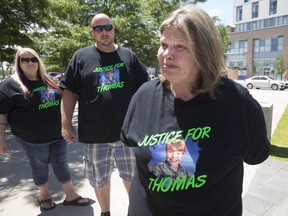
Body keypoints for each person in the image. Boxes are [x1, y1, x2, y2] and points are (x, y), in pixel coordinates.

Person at [120, 5, 270, 216]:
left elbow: (256, 155)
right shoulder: (143, 96)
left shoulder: (237, 103)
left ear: (203, 52)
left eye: (180, 46)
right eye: (164, 44)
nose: (167, 54)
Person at [60, 13, 149, 216]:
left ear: (114, 29)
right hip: (94, 134)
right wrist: (65, 123)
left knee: (132, 177)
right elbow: (69, 91)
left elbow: (145, 89)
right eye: (98, 29)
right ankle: (105, 212)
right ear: (92, 33)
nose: (104, 32)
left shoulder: (129, 56)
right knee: (99, 178)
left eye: (107, 27)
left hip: (127, 133)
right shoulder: (81, 57)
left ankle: (136, 211)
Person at [0, 48, 90, 211]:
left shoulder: (49, 80)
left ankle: (71, 195)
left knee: (61, 163)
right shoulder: (9, 85)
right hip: (31, 139)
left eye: (33, 59)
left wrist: (67, 125)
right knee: (39, 165)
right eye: (24, 60)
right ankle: (44, 195)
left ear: (38, 61)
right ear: (18, 63)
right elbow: (2, 113)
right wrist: (1, 138)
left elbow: (64, 102)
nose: (29, 62)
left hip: (57, 135)